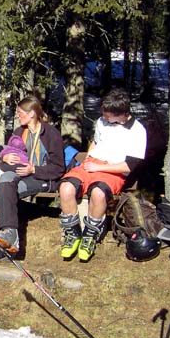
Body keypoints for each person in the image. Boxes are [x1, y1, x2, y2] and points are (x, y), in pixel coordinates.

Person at [59, 89, 146, 262]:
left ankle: (89, 236)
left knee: (98, 194)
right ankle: (72, 232)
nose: (104, 118)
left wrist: (99, 168)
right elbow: (96, 142)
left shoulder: (137, 131)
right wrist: (89, 160)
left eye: (108, 115)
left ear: (122, 114)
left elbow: (129, 165)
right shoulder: (101, 122)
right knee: (66, 187)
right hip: (92, 163)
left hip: (113, 170)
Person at [0, 96, 65, 255]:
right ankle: (9, 232)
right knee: (4, 181)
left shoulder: (51, 134)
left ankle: (10, 239)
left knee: (7, 191)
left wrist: (34, 170)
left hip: (43, 178)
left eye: (20, 113)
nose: (18, 116)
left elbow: (59, 168)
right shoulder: (19, 132)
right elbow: (6, 163)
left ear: (32, 113)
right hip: (21, 174)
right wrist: (5, 158)